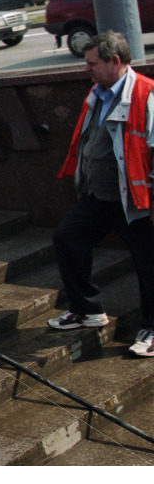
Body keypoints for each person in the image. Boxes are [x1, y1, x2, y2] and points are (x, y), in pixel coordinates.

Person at [51, 31, 154, 358]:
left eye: (93, 63)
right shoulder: (98, 93)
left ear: (115, 62)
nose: (87, 68)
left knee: (149, 265)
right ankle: (87, 309)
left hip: (135, 202)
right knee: (67, 238)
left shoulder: (146, 94)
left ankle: (152, 330)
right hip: (99, 196)